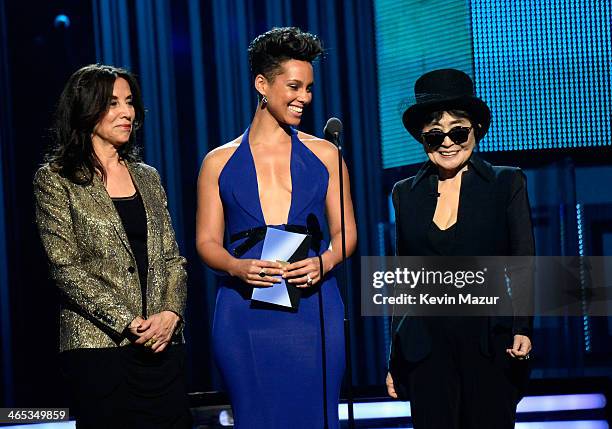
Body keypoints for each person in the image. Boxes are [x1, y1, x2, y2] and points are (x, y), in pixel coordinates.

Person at [196, 27, 357, 428]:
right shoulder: (218, 161)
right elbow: (205, 241)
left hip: (313, 305)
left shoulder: (325, 154)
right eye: (294, 86)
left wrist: (325, 262)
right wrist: (237, 267)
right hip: (244, 308)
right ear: (262, 84)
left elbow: (347, 234)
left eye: (309, 88)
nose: (304, 97)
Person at [34, 64, 191, 429]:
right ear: (86, 109)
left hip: (162, 344)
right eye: (113, 103)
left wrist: (171, 313)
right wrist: (128, 322)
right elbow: (65, 267)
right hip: (98, 349)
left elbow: (171, 257)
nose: (127, 112)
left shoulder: (147, 177)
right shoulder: (56, 180)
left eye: (130, 102)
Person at [385, 69, 535, 428]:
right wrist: (395, 358)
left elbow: (523, 263)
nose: (448, 142)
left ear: (476, 130)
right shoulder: (405, 193)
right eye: (435, 135)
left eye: (458, 131)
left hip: (489, 343)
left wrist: (523, 327)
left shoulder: (505, 182)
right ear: (423, 138)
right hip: (425, 350)